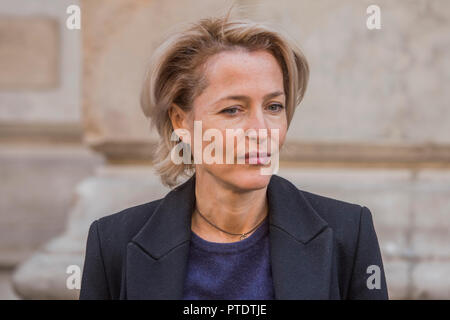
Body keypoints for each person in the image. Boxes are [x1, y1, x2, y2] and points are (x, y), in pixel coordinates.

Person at [79, 13, 388, 300]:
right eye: (233, 109)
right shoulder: (113, 244)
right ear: (181, 121)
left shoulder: (348, 233)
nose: (260, 130)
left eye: (273, 107)